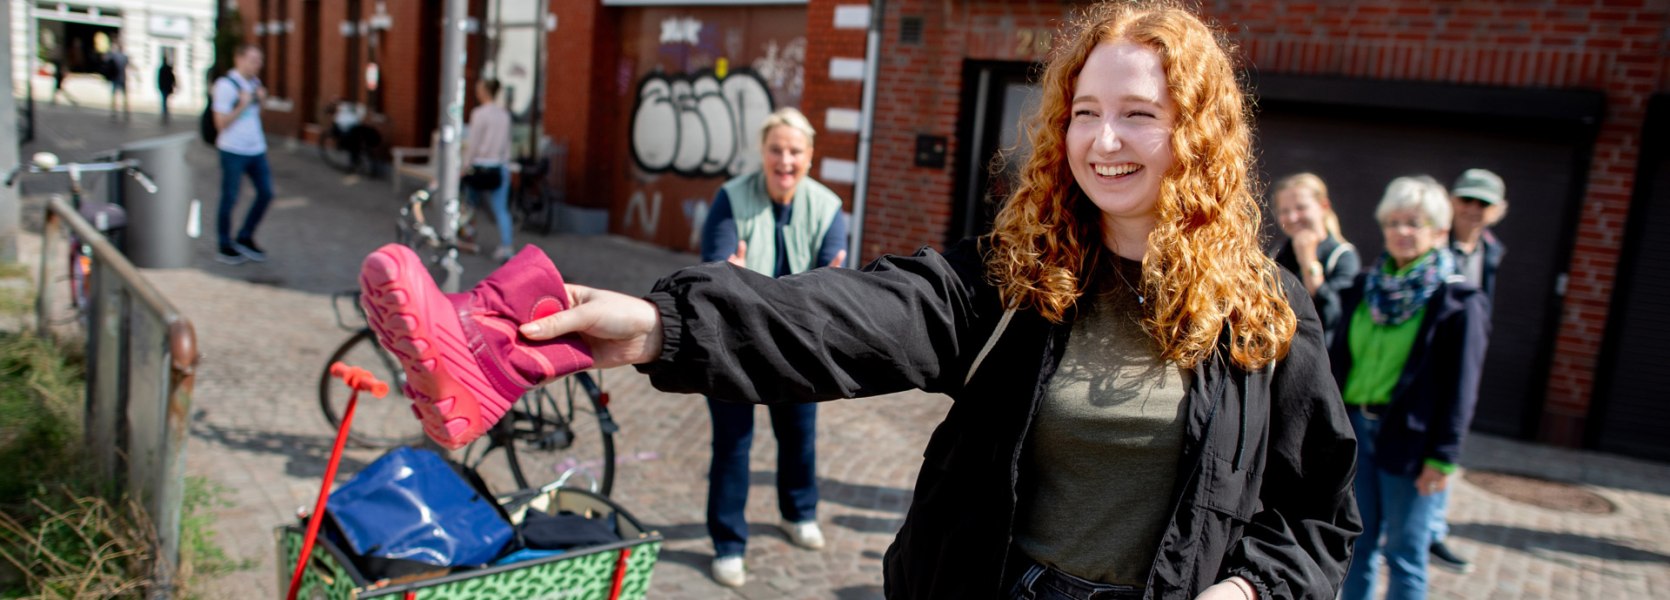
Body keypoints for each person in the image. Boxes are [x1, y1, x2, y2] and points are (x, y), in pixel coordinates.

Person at [357, 2, 1360, 598]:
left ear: (1195, 133)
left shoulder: (1264, 315)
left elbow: (1316, 522)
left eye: (1137, 114)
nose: (1103, 141)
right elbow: (850, 316)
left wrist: (1251, 586)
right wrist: (662, 325)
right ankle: (490, 342)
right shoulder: (1020, 277)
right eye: (1084, 112)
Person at [697, 107, 848, 587]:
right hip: (732, 343)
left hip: (798, 346)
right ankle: (728, 543)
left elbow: (830, 286)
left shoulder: (827, 207)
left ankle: (798, 512)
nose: (785, 160)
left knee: (799, 437)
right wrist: (741, 281)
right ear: (762, 154)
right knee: (733, 445)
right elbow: (716, 274)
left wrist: (752, 287)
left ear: (810, 157)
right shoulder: (730, 198)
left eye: (795, 151)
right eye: (776, 150)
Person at [1332, 176, 1490, 600]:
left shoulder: (1460, 301)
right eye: (1394, 222)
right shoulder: (1364, 289)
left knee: (1405, 553)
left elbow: (1462, 391)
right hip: (1356, 434)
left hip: (1412, 443)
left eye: (1415, 223)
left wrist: (1444, 458)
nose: (1402, 231)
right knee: (1355, 545)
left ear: (1440, 231)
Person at [1425, 168, 1508, 574]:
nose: (1473, 210)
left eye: (1483, 204)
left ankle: (1433, 530)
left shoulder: (1491, 252)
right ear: (1451, 202)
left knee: (1450, 442)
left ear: (1498, 211)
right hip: (1426, 366)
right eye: (1466, 200)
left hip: (1463, 361)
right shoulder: (1433, 244)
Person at [1271, 173, 1360, 345]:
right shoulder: (1278, 255)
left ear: (1324, 206)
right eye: (1284, 211)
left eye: (1301, 208)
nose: (1292, 217)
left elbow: (1331, 316)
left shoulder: (1343, 257)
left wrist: (1308, 262)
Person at [212, 45, 274, 265]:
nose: (257, 65)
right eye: (252, 60)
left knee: (266, 193)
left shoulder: (255, 84)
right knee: (230, 198)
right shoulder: (225, 85)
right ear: (239, 59)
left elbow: (257, 115)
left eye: (259, 60)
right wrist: (242, 104)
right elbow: (220, 123)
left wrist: (261, 100)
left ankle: (245, 236)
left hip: (256, 148)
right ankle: (224, 244)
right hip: (232, 149)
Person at [462, 79, 516, 261]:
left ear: (485, 91)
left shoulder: (479, 114)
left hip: (479, 167)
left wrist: (465, 165)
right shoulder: (504, 115)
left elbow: (474, 143)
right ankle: (507, 245)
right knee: (501, 209)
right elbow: (507, 145)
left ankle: (469, 239)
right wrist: (506, 166)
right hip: (498, 167)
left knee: (469, 206)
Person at [106, 41, 131, 121]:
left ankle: (114, 111)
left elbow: (107, 60)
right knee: (124, 96)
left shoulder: (114, 56)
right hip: (122, 78)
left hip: (115, 78)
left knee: (114, 95)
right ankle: (125, 111)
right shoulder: (124, 57)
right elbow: (128, 65)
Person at [157, 56, 177, 124]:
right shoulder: (167, 69)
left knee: (164, 101)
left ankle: (165, 113)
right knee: (165, 101)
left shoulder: (162, 69)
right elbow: (172, 78)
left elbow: (160, 79)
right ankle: (165, 113)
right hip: (166, 87)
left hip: (164, 87)